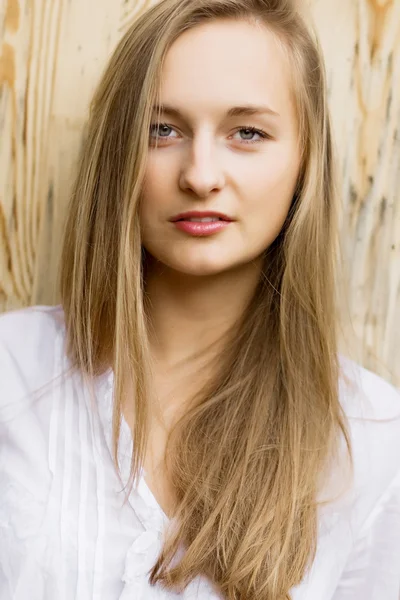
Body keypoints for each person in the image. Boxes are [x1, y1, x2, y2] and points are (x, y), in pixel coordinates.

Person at [1, 0, 400, 598]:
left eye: (248, 132)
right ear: (120, 153)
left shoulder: (371, 438)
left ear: (304, 160)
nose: (201, 174)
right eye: (163, 130)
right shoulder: (11, 370)